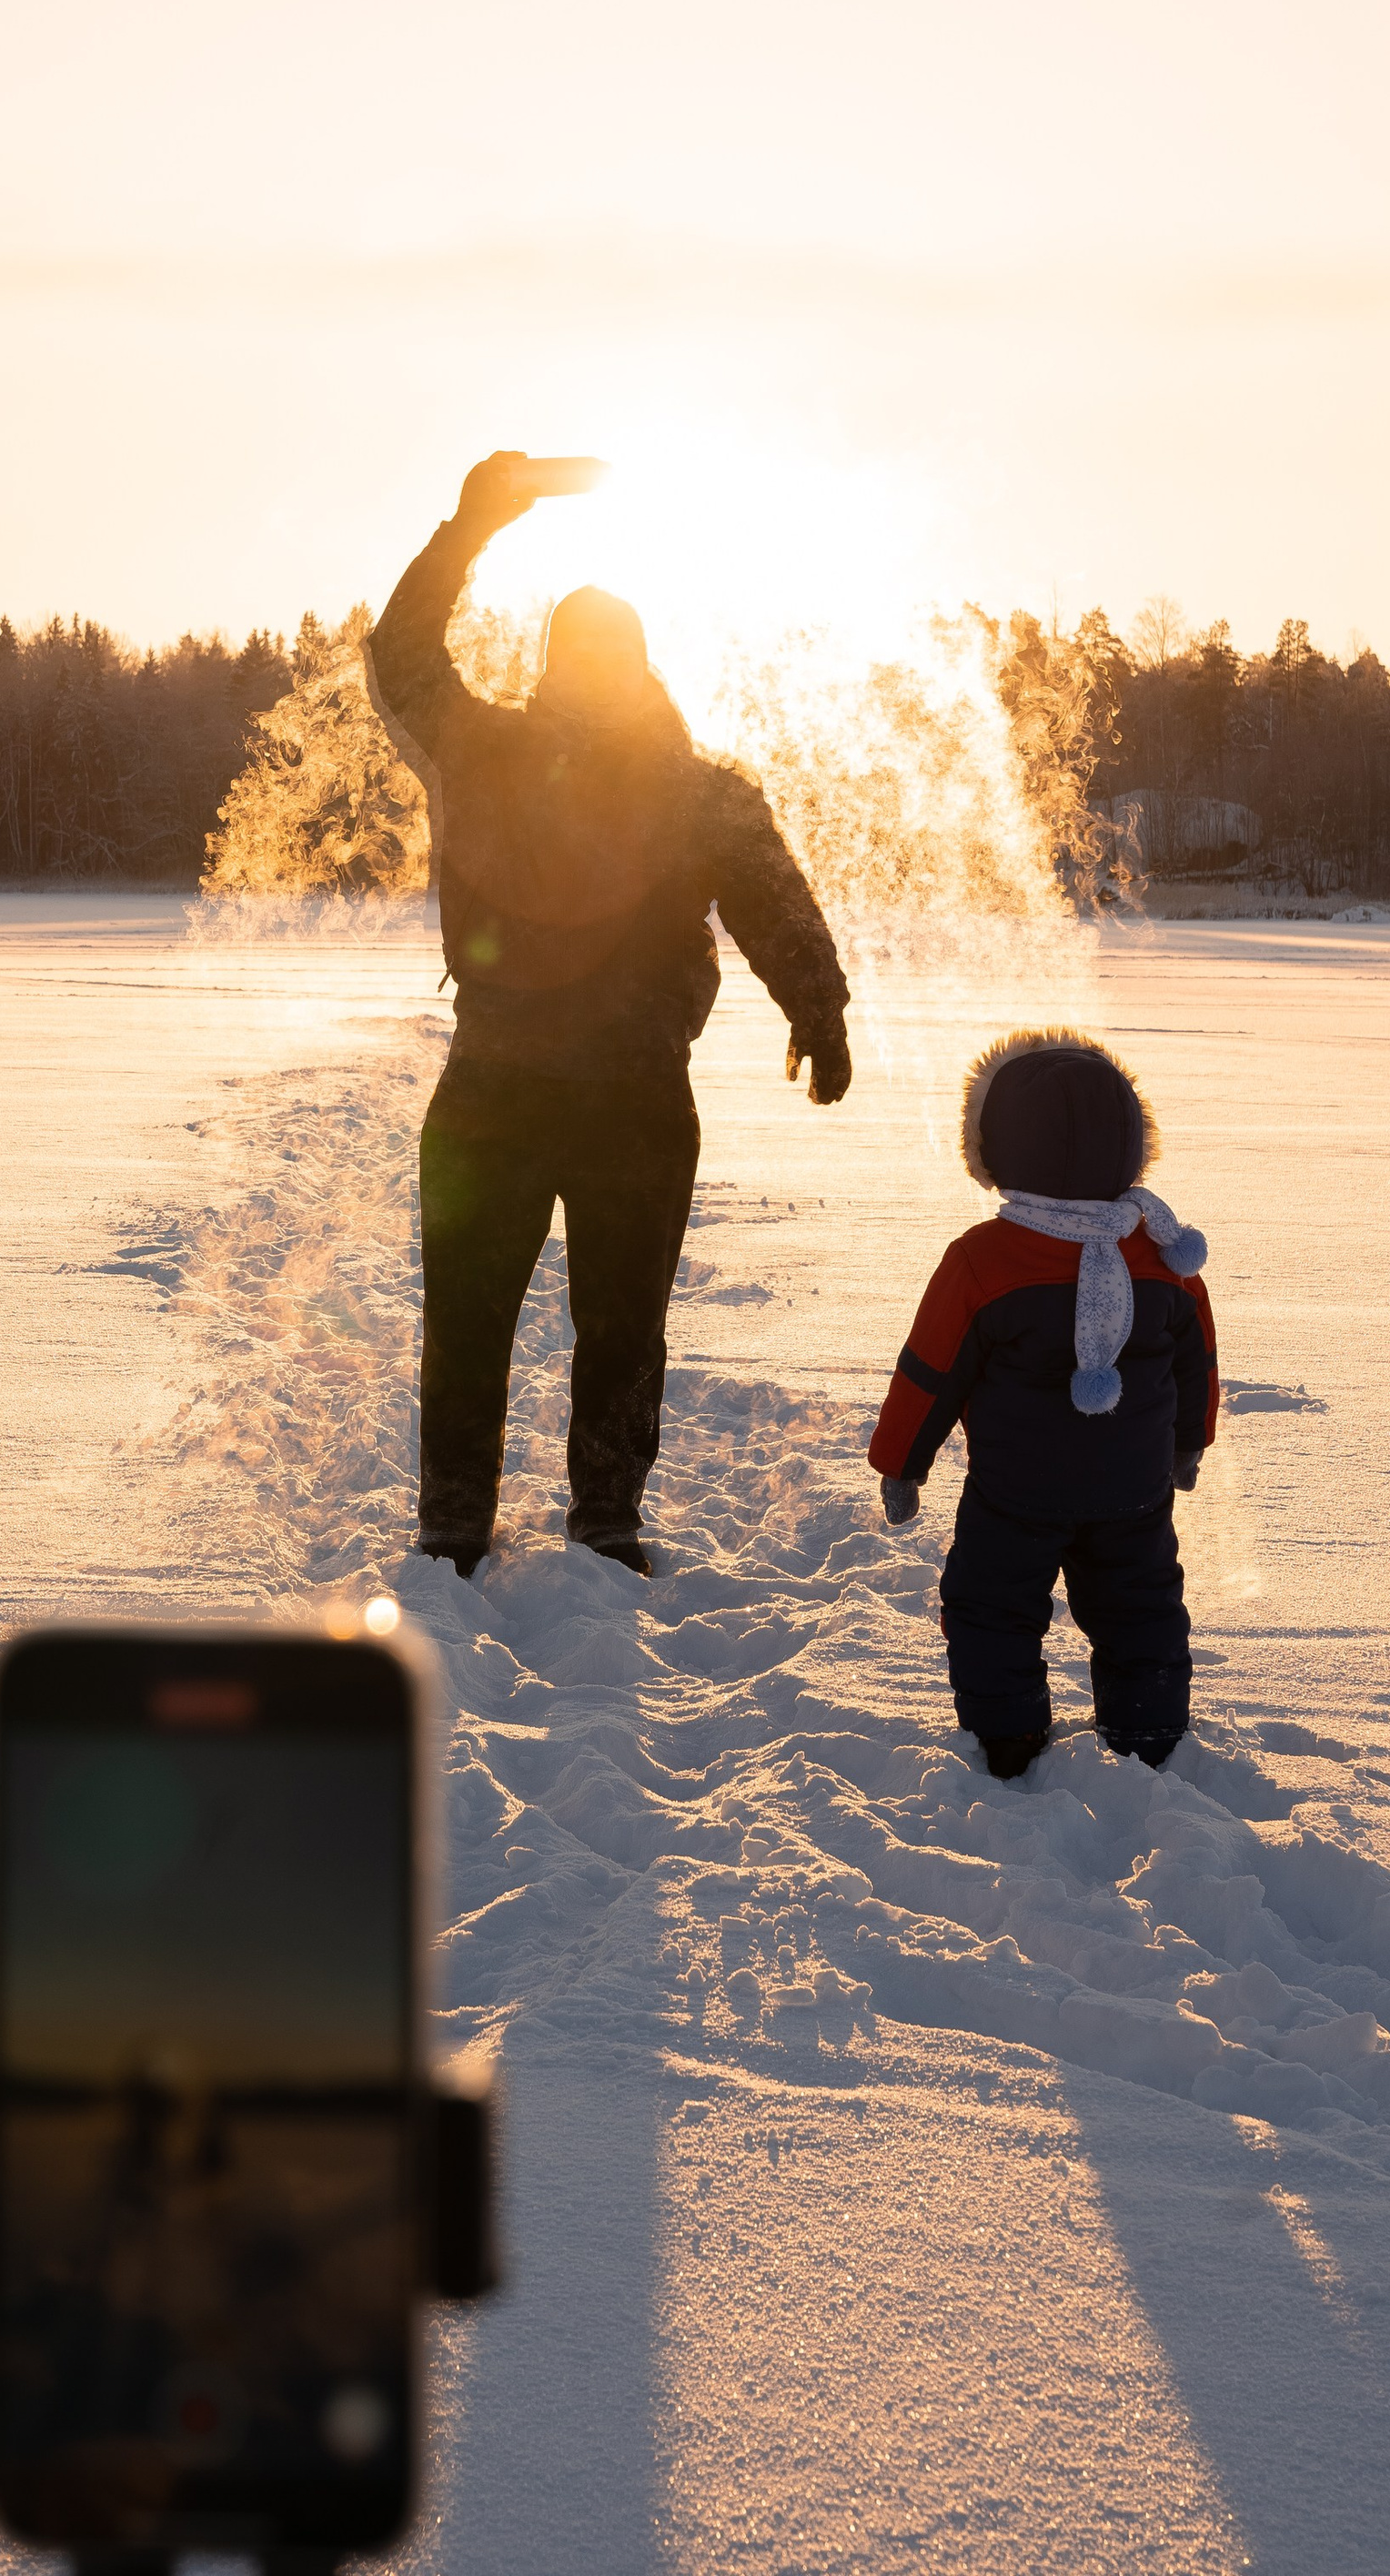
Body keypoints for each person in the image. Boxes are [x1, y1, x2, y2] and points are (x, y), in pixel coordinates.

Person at [368, 451, 852, 1579]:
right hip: (624, 1096)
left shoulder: (488, 750)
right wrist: (820, 1013)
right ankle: (597, 1518)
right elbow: (781, 909)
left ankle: (465, 1521)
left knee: (479, 1322)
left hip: (503, 1088)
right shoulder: (697, 788)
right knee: (620, 1324)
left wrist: (468, 527)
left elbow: (400, 660)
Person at [868, 1028, 1216, 1776]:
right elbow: (1199, 1360)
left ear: (994, 1149)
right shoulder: (1164, 1251)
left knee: (991, 1608)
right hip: (1134, 1488)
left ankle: (1007, 1740)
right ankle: (1149, 1738)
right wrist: (1189, 1443)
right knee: (1140, 1608)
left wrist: (902, 1463)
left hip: (1014, 1495)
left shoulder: (982, 1261)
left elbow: (930, 1371)